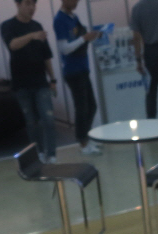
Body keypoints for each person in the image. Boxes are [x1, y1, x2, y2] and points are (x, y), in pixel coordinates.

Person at [1, 0, 59, 162]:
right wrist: (31, 36)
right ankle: (38, 152)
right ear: (18, 5)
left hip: (40, 81)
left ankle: (51, 154)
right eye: (28, 4)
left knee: (48, 118)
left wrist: (53, 79)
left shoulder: (37, 26)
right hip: (21, 83)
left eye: (34, 4)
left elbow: (46, 56)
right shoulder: (8, 26)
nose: (32, 8)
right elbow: (13, 45)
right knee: (31, 122)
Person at [54, 0, 103, 155]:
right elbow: (64, 48)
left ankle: (86, 137)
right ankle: (83, 142)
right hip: (73, 71)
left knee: (91, 106)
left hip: (83, 68)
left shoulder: (74, 17)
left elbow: (80, 38)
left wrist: (92, 36)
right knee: (82, 108)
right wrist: (84, 38)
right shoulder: (59, 20)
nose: (76, 2)